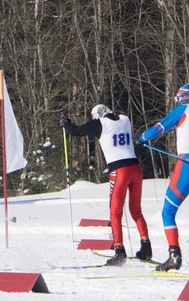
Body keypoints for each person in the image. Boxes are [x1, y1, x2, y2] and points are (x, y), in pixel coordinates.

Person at [137, 83, 189, 277]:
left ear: (184, 98)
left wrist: (142, 138)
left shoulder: (184, 110)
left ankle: (174, 256)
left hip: (187, 165)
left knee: (168, 211)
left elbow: (159, 128)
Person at [60, 104, 151, 266]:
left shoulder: (99, 123)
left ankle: (119, 251)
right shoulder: (125, 119)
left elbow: (75, 131)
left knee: (115, 212)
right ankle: (146, 247)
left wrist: (66, 123)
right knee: (136, 210)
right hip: (136, 168)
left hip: (119, 171)